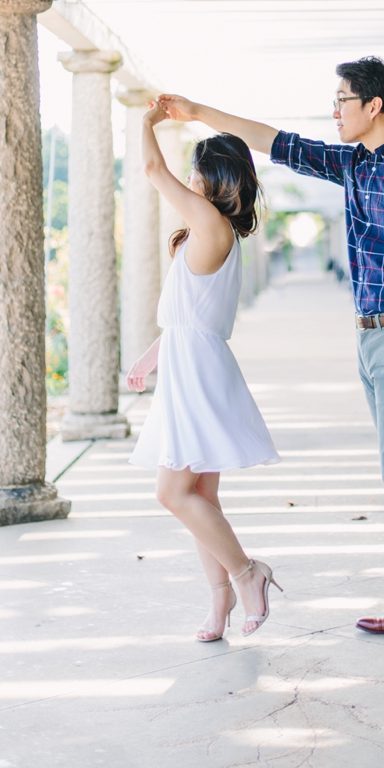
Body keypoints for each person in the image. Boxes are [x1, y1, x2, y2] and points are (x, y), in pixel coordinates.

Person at [157, 54, 384, 649]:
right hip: (371, 334)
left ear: (374, 105)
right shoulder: (354, 164)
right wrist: (197, 112)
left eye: (342, 100)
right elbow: (275, 142)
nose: (334, 110)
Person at [126, 102, 282, 640]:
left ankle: (247, 573)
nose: (188, 178)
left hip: (197, 372)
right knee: (202, 498)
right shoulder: (213, 231)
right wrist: (150, 360)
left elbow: (152, 172)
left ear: (213, 177)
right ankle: (219, 609)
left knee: (172, 493)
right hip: (190, 365)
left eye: (196, 169)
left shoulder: (210, 224)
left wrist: (143, 123)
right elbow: (188, 317)